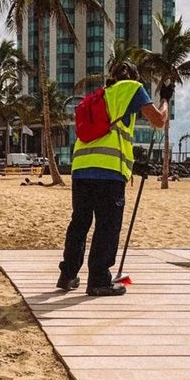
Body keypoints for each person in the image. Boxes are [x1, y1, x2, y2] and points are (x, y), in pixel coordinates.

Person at [58, 61, 167, 296]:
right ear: (134, 77)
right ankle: (98, 280)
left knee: (80, 222)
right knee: (107, 226)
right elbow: (158, 120)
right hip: (108, 172)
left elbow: (107, 135)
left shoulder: (101, 96)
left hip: (81, 167)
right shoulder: (132, 88)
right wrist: (166, 101)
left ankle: (67, 275)